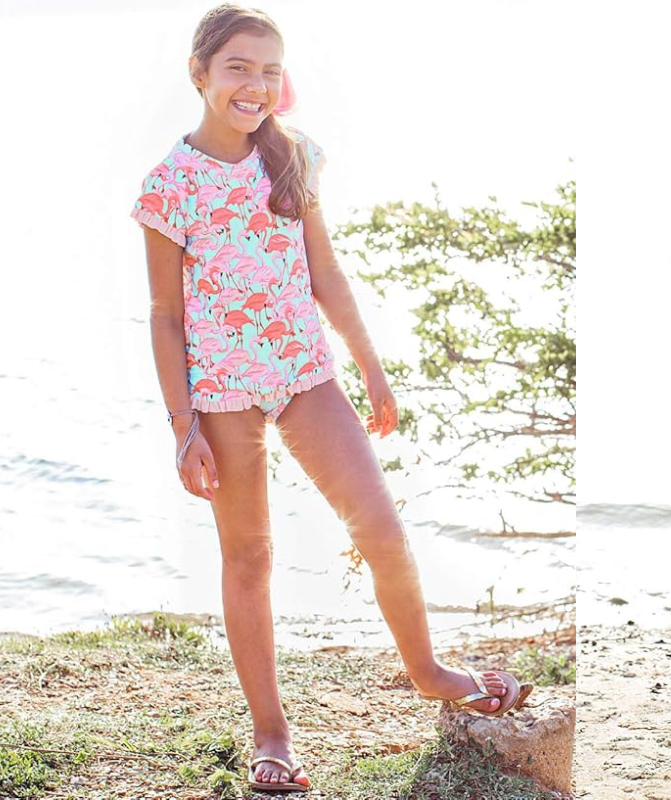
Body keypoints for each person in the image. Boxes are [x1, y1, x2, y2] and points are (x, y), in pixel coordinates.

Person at [130, 4, 530, 793]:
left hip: (306, 374)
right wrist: (184, 429)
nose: (255, 84)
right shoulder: (168, 185)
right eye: (238, 67)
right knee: (250, 558)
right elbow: (166, 315)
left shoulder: (295, 159)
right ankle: (272, 734)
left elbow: (327, 275)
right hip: (220, 390)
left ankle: (426, 669)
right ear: (200, 74)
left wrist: (371, 368)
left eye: (270, 69)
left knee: (381, 527)